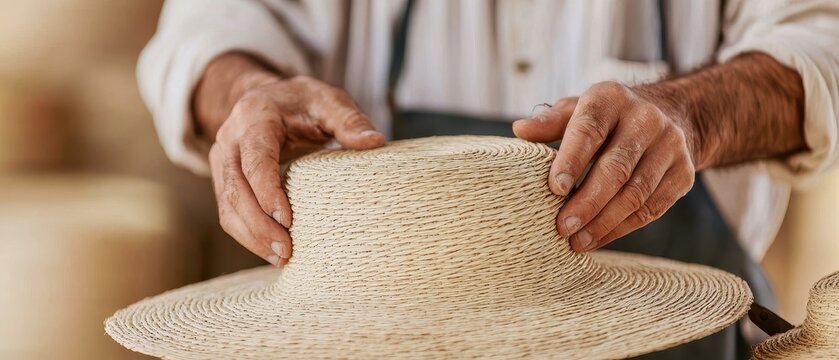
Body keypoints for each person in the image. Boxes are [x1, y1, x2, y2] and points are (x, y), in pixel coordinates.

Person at [138, 1, 839, 359]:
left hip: (674, 350)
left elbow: (821, 44)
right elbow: (202, 33)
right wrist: (245, 93)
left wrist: (692, 112)